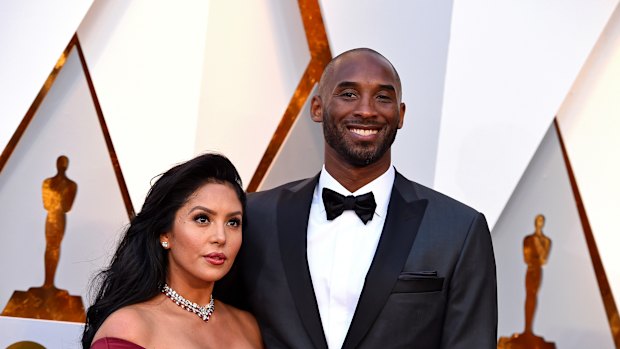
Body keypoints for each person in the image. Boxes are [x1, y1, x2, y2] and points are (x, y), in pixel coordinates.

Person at [217, 48, 497, 348]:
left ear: (400, 115)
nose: (366, 110)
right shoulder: (254, 217)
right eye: (348, 94)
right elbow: (215, 322)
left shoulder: (459, 230)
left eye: (383, 97)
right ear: (316, 108)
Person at [82, 154, 263, 348]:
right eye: (202, 219)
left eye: (233, 222)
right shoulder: (129, 327)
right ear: (165, 234)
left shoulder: (248, 326)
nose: (221, 237)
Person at [42, 155, 77, 288]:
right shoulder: (49, 183)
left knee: (53, 246)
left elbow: (66, 207)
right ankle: (48, 282)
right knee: (52, 246)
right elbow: (65, 206)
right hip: (54, 217)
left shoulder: (69, 185)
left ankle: (49, 282)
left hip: (56, 217)